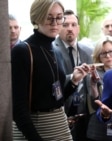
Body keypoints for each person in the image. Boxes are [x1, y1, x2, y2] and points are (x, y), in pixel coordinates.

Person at [11, 0, 90, 140]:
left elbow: (56, 98)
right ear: (36, 17)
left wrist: (73, 81)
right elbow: (18, 108)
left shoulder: (56, 50)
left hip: (59, 123)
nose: (55, 22)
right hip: (35, 126)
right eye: (49, 17)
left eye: (59, 17)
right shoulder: (22, 51)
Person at [52, 9, 93, 141]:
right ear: (59, 27)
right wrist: (72, 78)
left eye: (73, 25)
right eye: (65, 25)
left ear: (78, 28)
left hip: (85, 114)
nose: (70, 28)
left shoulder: (88, 52)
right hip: (62, 114)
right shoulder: (51, 50)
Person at [86, 35, 112, 141]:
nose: (108, 56)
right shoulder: (95, 74)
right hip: (98, 130)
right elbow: (93, 106)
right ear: (98, 56)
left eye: (111, 51)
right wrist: (94, 85)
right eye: (104, 53)